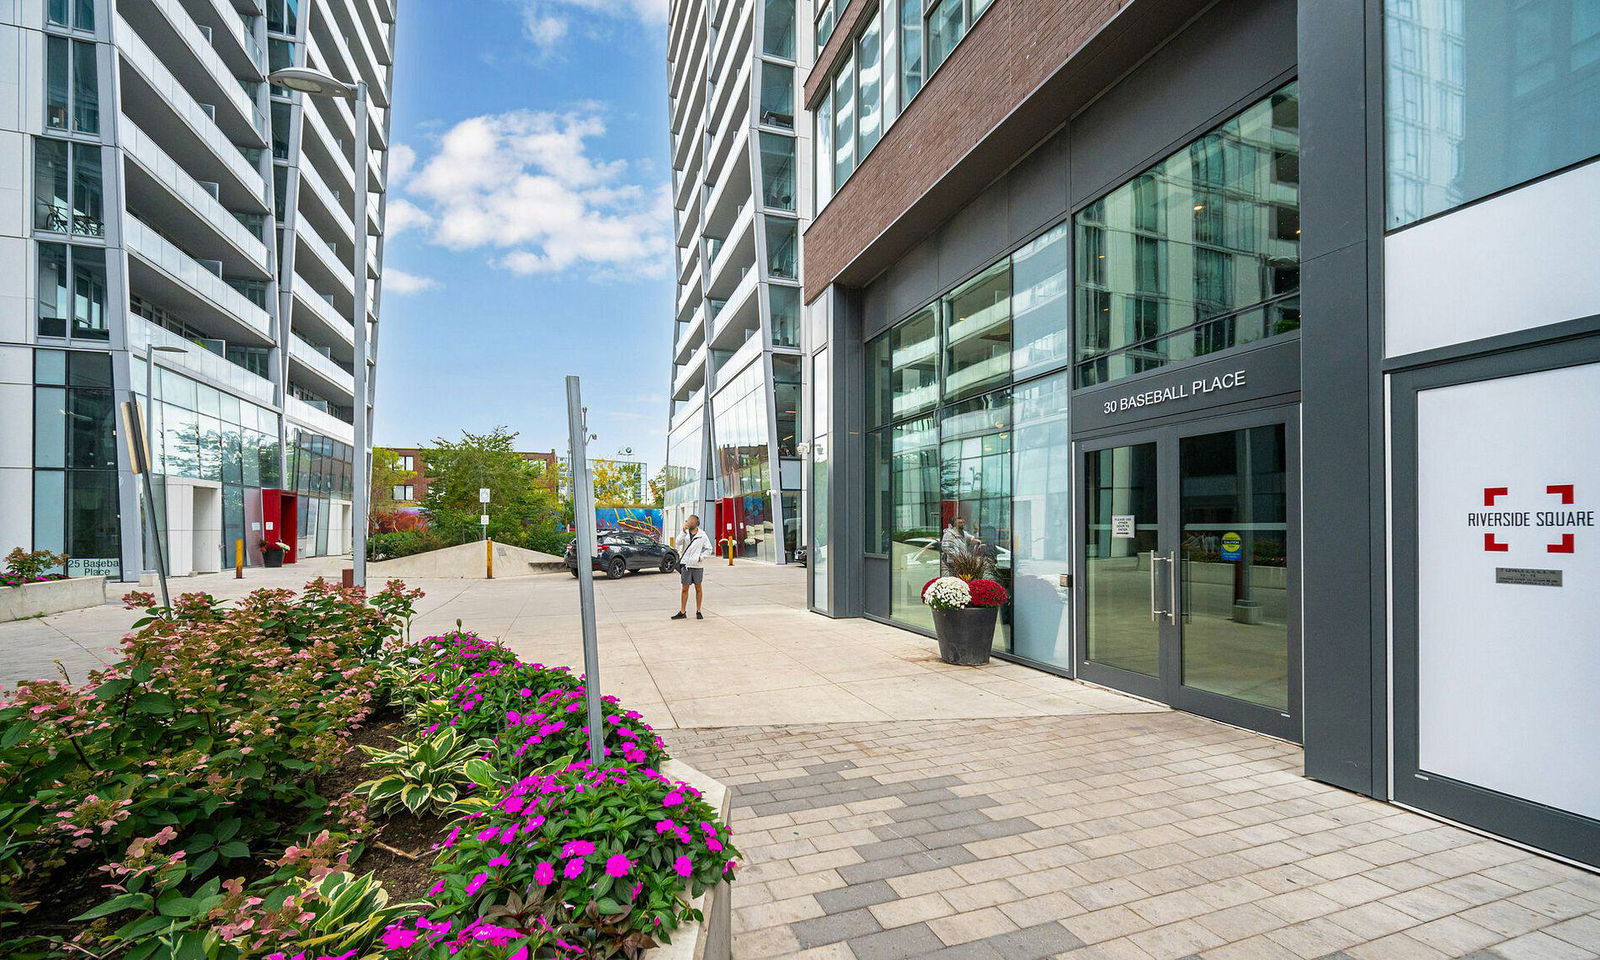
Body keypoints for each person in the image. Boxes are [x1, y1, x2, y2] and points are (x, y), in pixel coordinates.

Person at [672, 515, 713, 620]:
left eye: (691, 521)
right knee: (684, 589)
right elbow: (677, 542)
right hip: (686, 565)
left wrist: (701, 557)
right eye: (688, 520)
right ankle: (682, 611)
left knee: (698, 588)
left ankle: (698, 611)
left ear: (696, 523)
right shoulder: (685, 534)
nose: (689, 522)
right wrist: (683, 531)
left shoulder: (702, 535)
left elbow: (709, 549)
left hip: (697, 566)